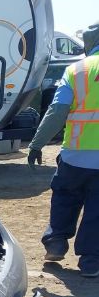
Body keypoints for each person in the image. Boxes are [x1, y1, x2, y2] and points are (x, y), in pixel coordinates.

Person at [27, 21, 99, 278]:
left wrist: (37, 144)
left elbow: (57, 111)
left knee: (65, 197)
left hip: (75, 156)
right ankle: (91, 261)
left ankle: (56, 242)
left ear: (89, 42)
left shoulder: (76, 70)